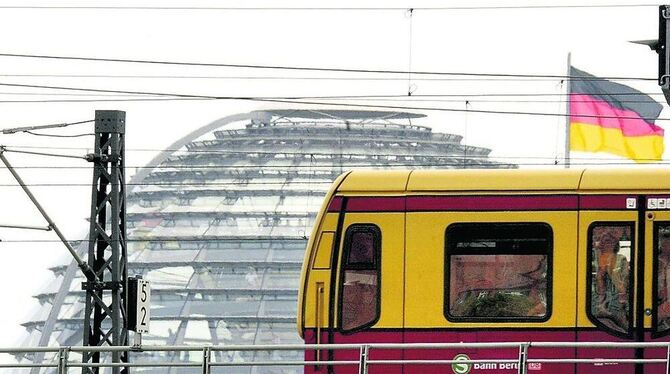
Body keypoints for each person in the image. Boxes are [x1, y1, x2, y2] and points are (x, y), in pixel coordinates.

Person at [593, 231, 630, 332]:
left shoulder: (621, 259)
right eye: (604, 242)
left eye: (610, 241)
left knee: (620, 325)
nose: (607, 244)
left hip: (616, 298)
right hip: (597, 299)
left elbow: (624, 279)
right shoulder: (595, 259)